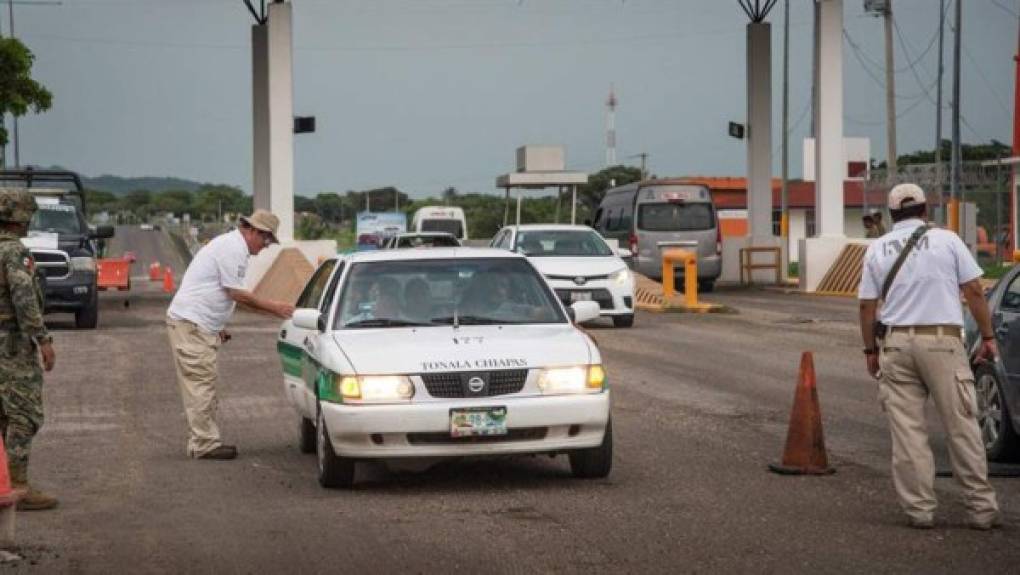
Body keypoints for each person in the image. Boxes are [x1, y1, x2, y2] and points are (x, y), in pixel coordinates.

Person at [858, 183, 1000, 530]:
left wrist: (871, 350)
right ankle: (981, 510)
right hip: (942, 342)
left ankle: (919, 511)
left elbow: (866, 306)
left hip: (896, 345)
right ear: (925, 210)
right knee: (962, 426)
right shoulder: (948, 240)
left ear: (891, 216)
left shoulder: (877, 248)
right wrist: (988, 336)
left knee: (908, 434)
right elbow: (973, 291)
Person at [166, 210, 295, 460]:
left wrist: (217, 326)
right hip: (192, 325)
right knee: (201, 385)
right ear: (254, 231)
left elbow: (214, 290)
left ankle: (203, 440)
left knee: (203, 383)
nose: (266, 246)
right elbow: (236, 293)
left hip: (197, 324)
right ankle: (203, 444)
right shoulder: (233, 249)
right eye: (266, 240)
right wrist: (276, 308)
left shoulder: (230, 246)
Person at [0, 189, 57, 511]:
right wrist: (43, 339)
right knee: (24, 414)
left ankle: (4, 482)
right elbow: (23, 296)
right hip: (11, 345)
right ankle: (18, 485)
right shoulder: (13, 253)